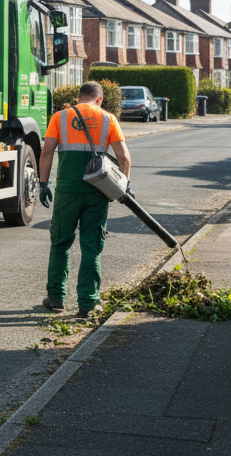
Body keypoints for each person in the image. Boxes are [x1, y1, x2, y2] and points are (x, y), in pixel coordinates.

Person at [37, 81, 131, 318]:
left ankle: (56, 298)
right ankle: (88, 303)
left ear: (79, 98)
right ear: (99, 99)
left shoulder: (60, 117)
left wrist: (43, 183)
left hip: (67, 191)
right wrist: (122, 187)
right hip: (97, 191)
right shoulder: (109, 119)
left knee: (60, 243)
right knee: (91, 247)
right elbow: (124, 158)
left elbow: (47, 151)